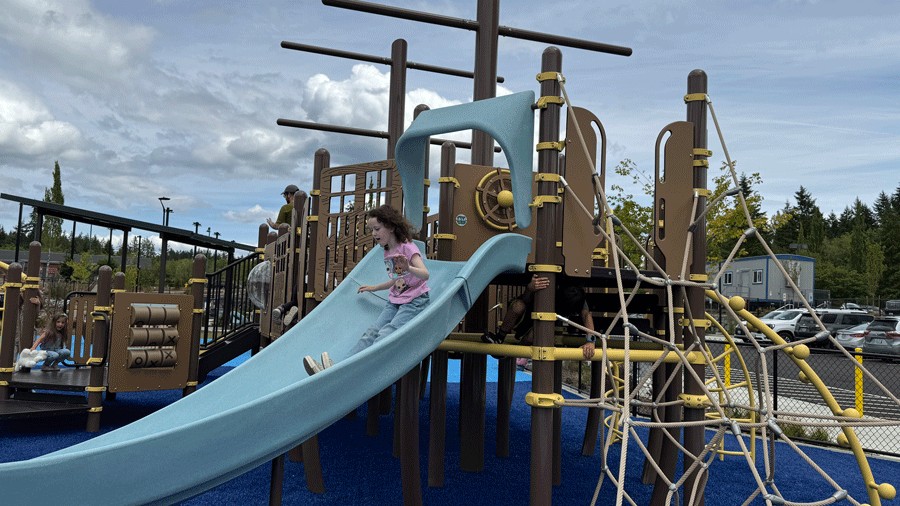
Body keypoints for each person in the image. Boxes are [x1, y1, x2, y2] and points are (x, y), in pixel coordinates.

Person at [303, 205, 430, 375]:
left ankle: (357, 370)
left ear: (391, 227)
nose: (374, 234)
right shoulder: (387, 251)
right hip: (397, 299)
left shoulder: (408, 248)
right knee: (371, 332)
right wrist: (374, 287)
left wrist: (409, 267)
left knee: (387, 332)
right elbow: (397, 279)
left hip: (415, 300)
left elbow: (425, 274)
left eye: (377, 229)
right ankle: (339, 368)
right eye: (371, 230)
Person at [482, 274, 596, 368]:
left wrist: (591, 341)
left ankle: (517, 354)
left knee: (537, 332)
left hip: (543, 322)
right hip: (528, 311)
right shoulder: (552, 284)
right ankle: (500, 338)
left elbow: (586, 315)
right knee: (518, 305)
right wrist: (530, 288)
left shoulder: (578, 296)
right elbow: (525, 299)